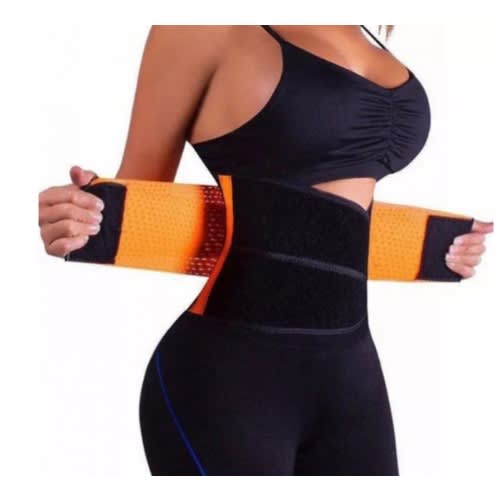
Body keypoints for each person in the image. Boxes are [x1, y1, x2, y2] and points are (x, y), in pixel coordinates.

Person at [38, 25, 493, 475]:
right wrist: (81, 215)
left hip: (351, 372)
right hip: (230, 377)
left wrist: (430, 246)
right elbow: (140, 200)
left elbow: (324, 223)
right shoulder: (199, 26)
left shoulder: (365, 27)